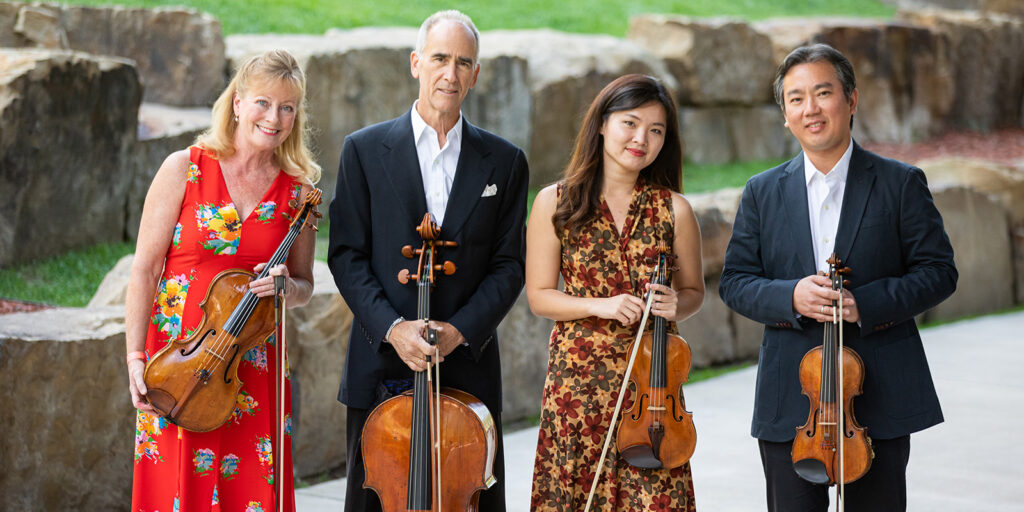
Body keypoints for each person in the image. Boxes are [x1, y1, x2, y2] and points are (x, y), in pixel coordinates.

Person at [719, 43, 957, 512]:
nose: (811, 109)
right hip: (792, 400)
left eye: (823, 93)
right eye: (796, 98)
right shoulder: (761, 192)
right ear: (785, 115)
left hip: (879, 396)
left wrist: (864, 303)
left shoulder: (900, 183)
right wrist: (791, 296)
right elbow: (735, 281)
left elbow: (939, 272)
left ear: (851, 99)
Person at [327, 10, 528, 512]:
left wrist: (459, 330)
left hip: (467, 368)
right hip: (381, 363)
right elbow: (346, 255)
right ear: (416, 63)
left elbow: (509, 266)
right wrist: (393, 328)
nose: (451, 74)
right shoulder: (364, 150)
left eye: (464, 63)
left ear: (476, 74)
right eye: (440, 58)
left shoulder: (504, 162)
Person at [125, 50, 320, 511]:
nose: (274, 118)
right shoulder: (184, 168)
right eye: (263, 102)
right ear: (236, 102)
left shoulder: (299, 193)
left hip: (250, 368)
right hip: (180, 363)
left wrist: (285, 288)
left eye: (288, 107)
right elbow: (145, 269)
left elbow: (305, 285)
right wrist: (135, 358)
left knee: (249, 492)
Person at [525, 74, 704, 511]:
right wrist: (598, 305)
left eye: (656, 130)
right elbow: (540, 296)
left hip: (655, 392)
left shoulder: (675, 209)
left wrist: (678, 303)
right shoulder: (556, 202)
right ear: (602, 124)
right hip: (578, 385)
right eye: (630, 122)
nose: (641, 138)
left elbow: (694, 290)